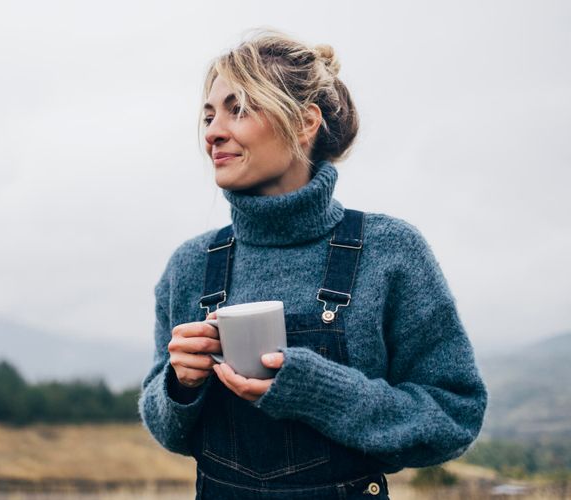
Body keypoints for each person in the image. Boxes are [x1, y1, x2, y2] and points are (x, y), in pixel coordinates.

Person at [138, 28, 487, 500]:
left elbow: (453, 418)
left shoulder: (390, 251)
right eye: (208, 115)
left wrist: (315, 390)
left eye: (239, 109)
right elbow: (167, 431)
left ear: (305, 124)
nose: (213, 132)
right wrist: (180, 385)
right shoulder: (190, 265)